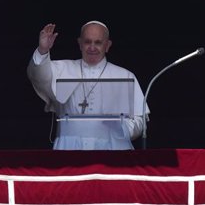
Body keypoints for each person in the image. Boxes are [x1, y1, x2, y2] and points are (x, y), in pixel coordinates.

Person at [27, 21, 148, 150]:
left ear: (107, 45)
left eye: (98, 42)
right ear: (80, 43)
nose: (92, 47)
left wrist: (121, 127)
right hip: (69, 149)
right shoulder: (62, 69)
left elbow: (140, 122)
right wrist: (43, 50)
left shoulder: (125, 76)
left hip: (113, 149)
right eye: (87, 42)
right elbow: (38, 77)